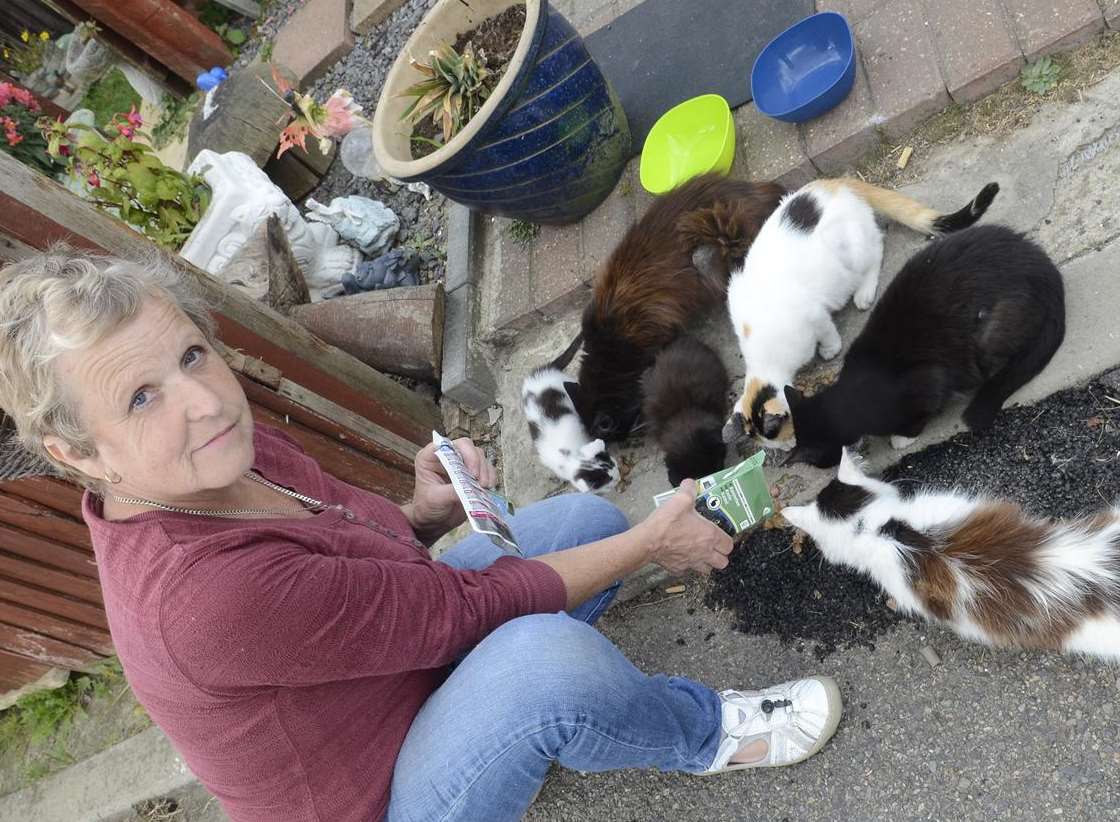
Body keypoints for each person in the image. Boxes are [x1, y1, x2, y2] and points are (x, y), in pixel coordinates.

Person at [0, 250, 843, 822]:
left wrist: (420, 511)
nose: (205, 401)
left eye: (189, 355)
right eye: (140, 398)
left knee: (586, 521)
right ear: (78, 453)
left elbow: (343, 539)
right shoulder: (200, 600)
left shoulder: (214, 456)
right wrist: (652, 544)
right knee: (547, 662)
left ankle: (517, 718)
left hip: (398, 670)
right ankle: (703, 736)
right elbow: (455, 609)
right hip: (380, 797)